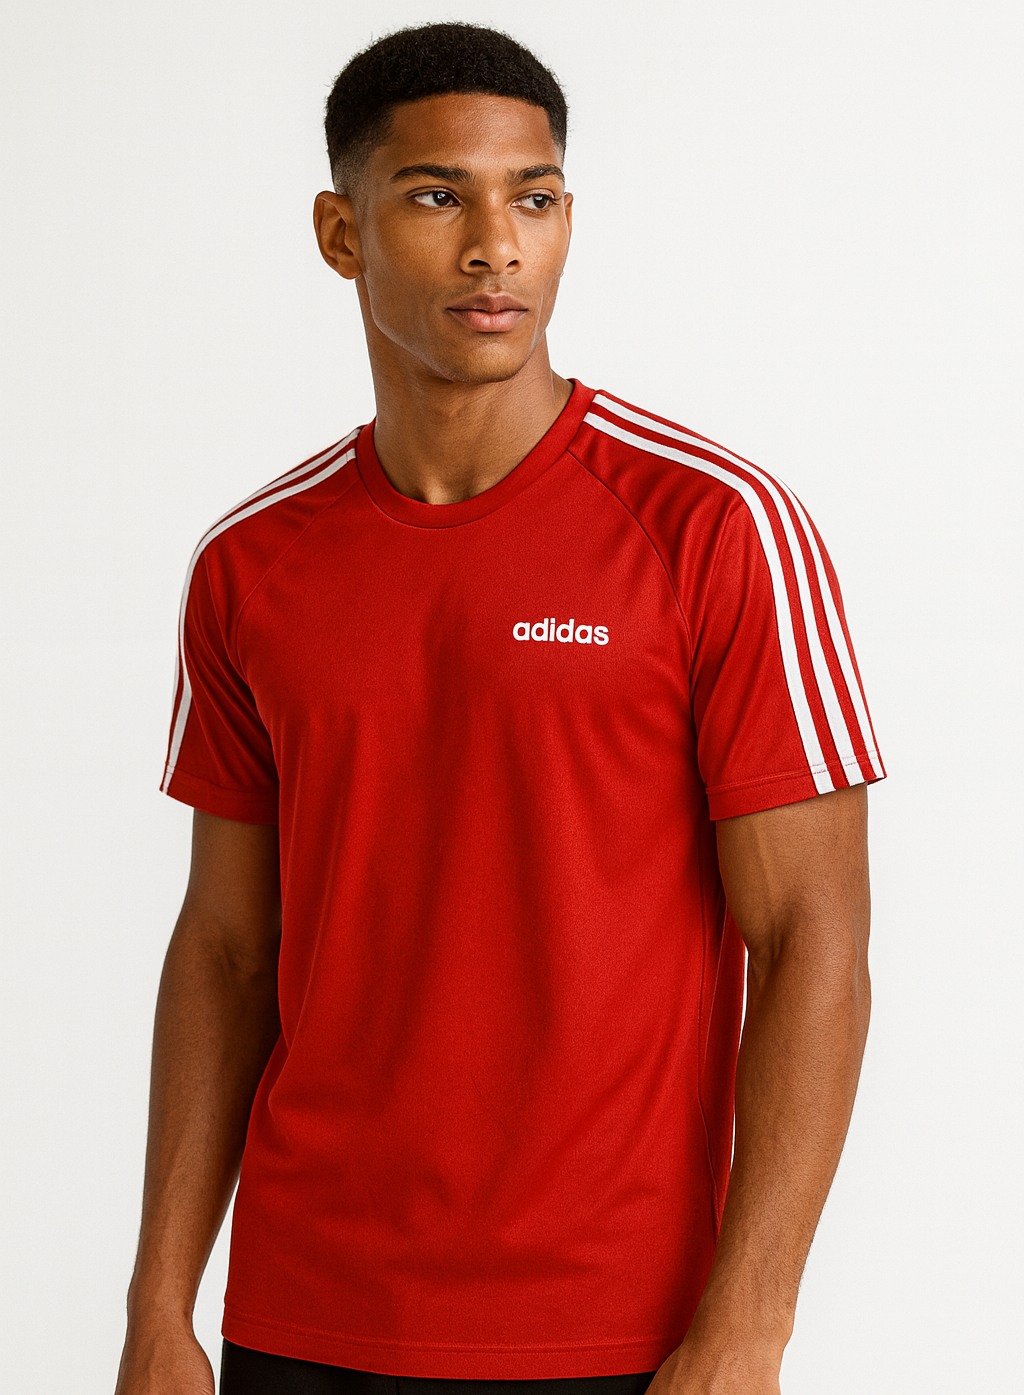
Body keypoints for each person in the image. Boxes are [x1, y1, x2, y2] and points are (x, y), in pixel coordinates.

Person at [115, 21, 885, 1395]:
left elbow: (812, 935)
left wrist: (750, 1326)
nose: (495, 246)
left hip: (620, 1327)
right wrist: (159, 1304)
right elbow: (226, 949)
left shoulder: (716, 527)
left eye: (533, 199)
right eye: (436, 196)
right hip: (304, 1311)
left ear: (567, 222)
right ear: (340, 235)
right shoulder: (252, 564)